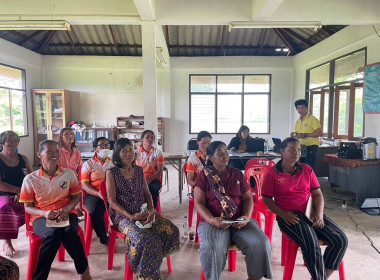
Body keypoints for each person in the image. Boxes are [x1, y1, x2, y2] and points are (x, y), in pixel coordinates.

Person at [262, 137, 348, 280]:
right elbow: (266, 199)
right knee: (310, 241)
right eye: (291, 150)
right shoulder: (273, 173)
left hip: (312, 212)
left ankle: (320, 278)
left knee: (341, 240)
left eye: (298, 150)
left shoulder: (307, 169)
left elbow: (318, 194)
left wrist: (320, 214)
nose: (296, 153)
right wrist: (283, 214)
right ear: (282, 151)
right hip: (290, 216)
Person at [194, 141, 272, 280]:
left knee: (261, 243)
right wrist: (211, 220)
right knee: (212, 249)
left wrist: (246, 217)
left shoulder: (236, 174)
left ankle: (254, 277)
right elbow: (199, 202)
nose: (225, 156)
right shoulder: (204, 176)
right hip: (214, 221)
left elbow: (248, 198)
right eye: (220, 153)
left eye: (226, 152)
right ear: (211, 158)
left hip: (239, 220)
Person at [106, 138, 180, 280]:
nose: (128, 154)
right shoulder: (111, 173)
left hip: (143, 211)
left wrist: (151, 211)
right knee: (146, 240)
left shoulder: (139, 170)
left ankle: (152, 263)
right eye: (124, 151)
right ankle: (148, 276)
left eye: (130, 150)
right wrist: (131, 217)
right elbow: (112, 202)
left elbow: (147, 193)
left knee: (171, 230)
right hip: (123, 217)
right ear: (117, 154)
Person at [19, 140, 91, 280]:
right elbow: (27, 207)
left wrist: (66, 209)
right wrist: (44, 213)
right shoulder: (30, 179)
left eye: (56, 151)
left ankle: (85, 273)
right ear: (39, 154)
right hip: (41, 216)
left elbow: (75, 197)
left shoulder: (68, 174)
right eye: (49, 151)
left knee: (69, 232)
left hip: (67, 212)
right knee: (53, 235)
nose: (54, 154)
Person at [0, 130, 33, 257]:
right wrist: (19, 191)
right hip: (4, 194)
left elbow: (31, 178)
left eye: (16, 140)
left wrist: (24, 193)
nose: (13, 143)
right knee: (6, 206)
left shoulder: (23, 158)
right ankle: (7, 242)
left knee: (41, 203)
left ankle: (38, 232)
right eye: (10, 140)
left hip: (24, 192)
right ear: (2, 142)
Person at [81, 137, 112, 245]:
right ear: (95, 149)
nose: (105, 148)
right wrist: (97, 193)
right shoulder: (88, 164)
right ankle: (102, 236)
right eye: (102, 146)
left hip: (110, 193)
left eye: (107, 145)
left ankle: (118, 232)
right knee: (94, 212)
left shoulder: (114, 162)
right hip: (94, 193)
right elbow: (84, 184)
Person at [58, 127, 84, 216]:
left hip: (75, 180)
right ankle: (70, 211)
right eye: (67, 135)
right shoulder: (58, 152)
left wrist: (80, 180)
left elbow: (80, 169)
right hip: (61, 179)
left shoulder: (76, 152)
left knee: (84, 186)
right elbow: (56, 170)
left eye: (72, 134)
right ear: (61, 137)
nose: (70, 137)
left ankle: (78, 209)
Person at [135, 130, 165, 208]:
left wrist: (149, 180)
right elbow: (132, 169)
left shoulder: (157, 153)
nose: (150, 139)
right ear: (142, 139)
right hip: (139, 178)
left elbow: (159, 171)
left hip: (153, 179)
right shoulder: (136, 153)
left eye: (152, 138)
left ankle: (152, 212)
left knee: (153, 189)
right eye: (147, 137)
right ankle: (139, 212)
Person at [291, 99, 322, 169]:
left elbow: (319, 132)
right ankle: (302, 180)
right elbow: (298, 133)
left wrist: (305, 135)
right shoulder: (298, 121)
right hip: (301, 147)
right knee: (300, 167)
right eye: (298, 108)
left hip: (311, 147)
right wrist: (294, 134)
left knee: (309, 168)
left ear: (307, 108)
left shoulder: (312, 119)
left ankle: (309, 180)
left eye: (302, 107)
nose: (300, 110)